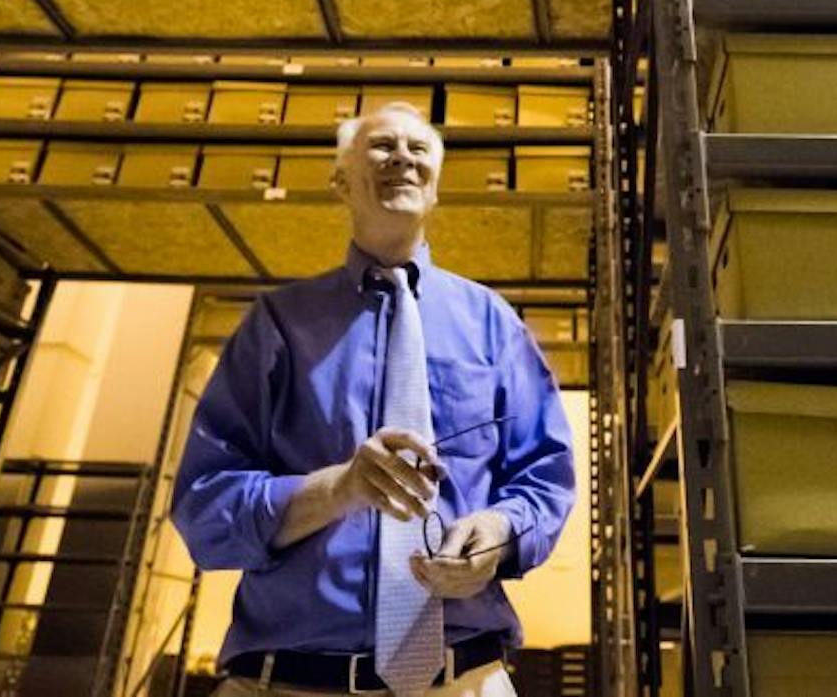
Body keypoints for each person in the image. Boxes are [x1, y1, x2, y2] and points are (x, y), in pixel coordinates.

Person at [172, 101, 576, 695]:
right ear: (341, 180)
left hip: (462, 679)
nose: (403, 159)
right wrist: (340, 489)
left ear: (436, 186)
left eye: (420, 149)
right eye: (382, 145)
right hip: (288, 682)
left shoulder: (492, 324)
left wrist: (498, 532)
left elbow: (545, 476)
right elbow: (205, 507)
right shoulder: (278, 325)